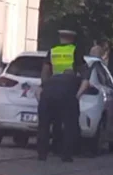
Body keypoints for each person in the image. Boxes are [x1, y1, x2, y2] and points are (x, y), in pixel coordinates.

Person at [37, 29, 89, 162]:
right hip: (67, 91)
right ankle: (66, 155)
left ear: (60, 38)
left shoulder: (52, 51)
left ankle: (42, 154)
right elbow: (85, 79)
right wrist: (77, 95)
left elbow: (45, 72)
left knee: (44, 123)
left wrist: (44, 87)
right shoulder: (75, 51)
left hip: (49, 90)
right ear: (72, 39)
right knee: (69, 124)